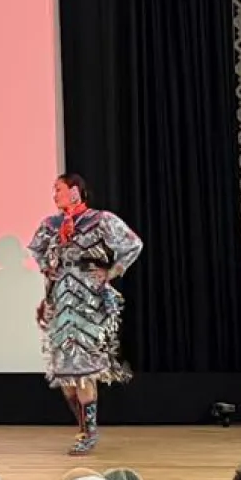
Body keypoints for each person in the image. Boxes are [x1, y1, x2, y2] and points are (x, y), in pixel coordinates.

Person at [27, 173, 143, 455]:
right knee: (66, 377)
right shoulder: (51, 225)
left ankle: (88, 433)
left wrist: (111, 272)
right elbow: (41, 254)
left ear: (75, 191)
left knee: (83, 371)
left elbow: (132, 245)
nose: (54, 195)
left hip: (88, 302)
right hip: (61, 301)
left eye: (59, 189)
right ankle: (83, 428)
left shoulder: (100, 220)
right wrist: (47, 291)